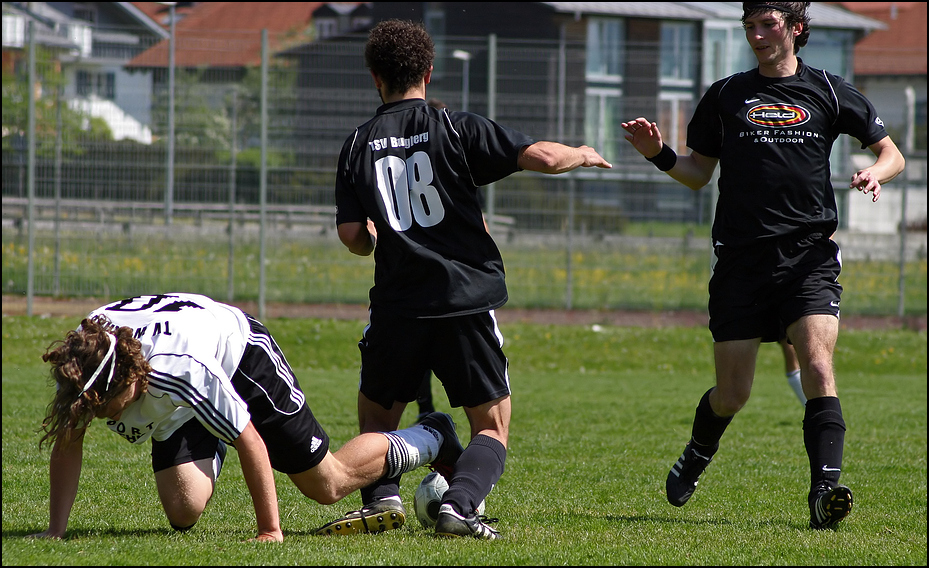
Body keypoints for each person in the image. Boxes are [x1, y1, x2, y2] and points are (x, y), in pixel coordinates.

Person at [319, 19, 611, 540]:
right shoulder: (454, 127)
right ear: (428, 73)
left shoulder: (357, 144)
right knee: (491, 426)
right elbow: (541, 156)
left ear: (374, 77)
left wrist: (373, 237)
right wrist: (583, 154)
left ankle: (382, 499)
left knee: (377, 419)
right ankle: (460, 505)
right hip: (463, 300)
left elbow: (350, 236)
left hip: (398, 303)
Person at [621, 2, 904, 530]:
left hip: (809, 256)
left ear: (795, 29)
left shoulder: (829, 89)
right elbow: (697, 173)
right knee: (733, 395)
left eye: (767, 24)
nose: (756, 34)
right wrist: (657, 153)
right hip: (742, 261)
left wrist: (876, 174)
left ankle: (825, 491)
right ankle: (698, 452)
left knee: (818, 367)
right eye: (749, 26)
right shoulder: (727, 94)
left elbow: (891, 152)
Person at [27, 292, 464, 542]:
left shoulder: (181, 372)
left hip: (241, 356)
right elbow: (70, 437)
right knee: (183, 511)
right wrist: (55, 532)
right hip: (189, 369)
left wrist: (269, 531)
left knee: (326, 484)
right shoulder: (89, 357)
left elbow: (250, 439)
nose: (100, 414)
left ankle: (433, 435)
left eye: (106, 405)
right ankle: (211, 420)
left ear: (133, 380)